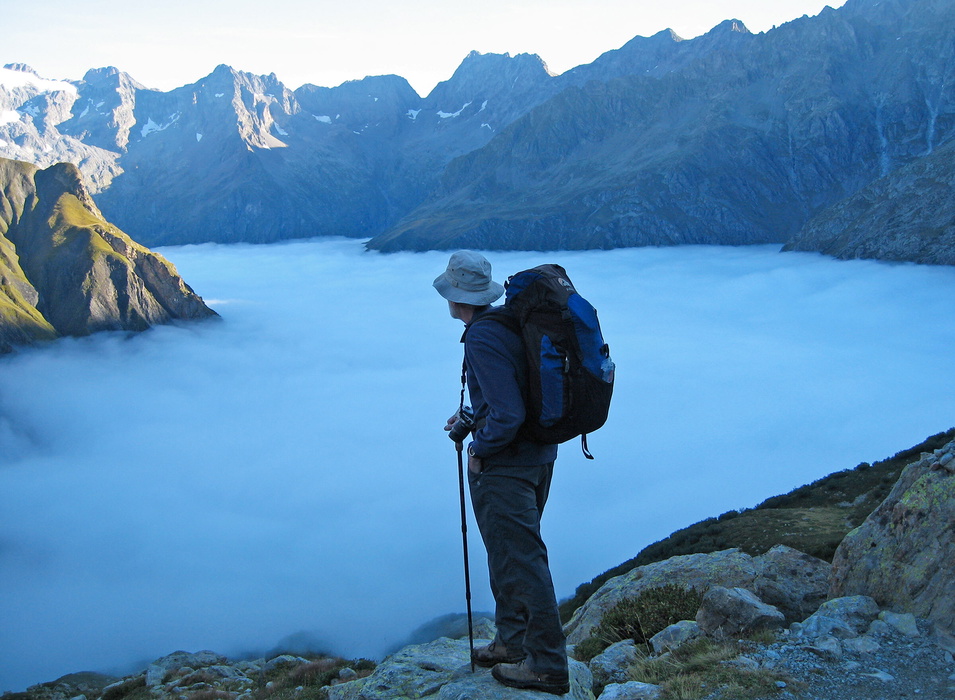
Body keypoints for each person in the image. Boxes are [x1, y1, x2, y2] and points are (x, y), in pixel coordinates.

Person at [433, 250, 570, 696]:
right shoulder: (511, 323)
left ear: (456, 297)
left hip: (507, 467)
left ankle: (547, 666)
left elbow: (507, 414)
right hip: (539, 457)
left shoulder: (482, 338)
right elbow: (511, 397)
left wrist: (479, 447)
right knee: (510, 556)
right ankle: (512, 643)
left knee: (523, 563)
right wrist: (472, 417)